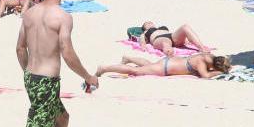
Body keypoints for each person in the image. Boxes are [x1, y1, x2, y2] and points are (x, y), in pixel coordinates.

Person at [96, 52, 231, 79]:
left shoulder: (208, 55)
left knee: (149, 65)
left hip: (168, 62)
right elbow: (205, 76)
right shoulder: (202, 63)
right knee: (135, 72)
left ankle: (128, 58)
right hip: (165, 68)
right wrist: (219, 73)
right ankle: (104, 68)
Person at [135, 21, 212, 56]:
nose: (149, 22)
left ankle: (201, 47)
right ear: (144, 27)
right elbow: (142, 39)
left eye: (150, 22)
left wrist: (186, 40)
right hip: (158, 39)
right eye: (147, 23)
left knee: (185, 27)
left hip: (171, 36)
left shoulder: (161, 28)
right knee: (166, 43)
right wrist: (143, 46)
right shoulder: (146, 32)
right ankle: (171, 56)